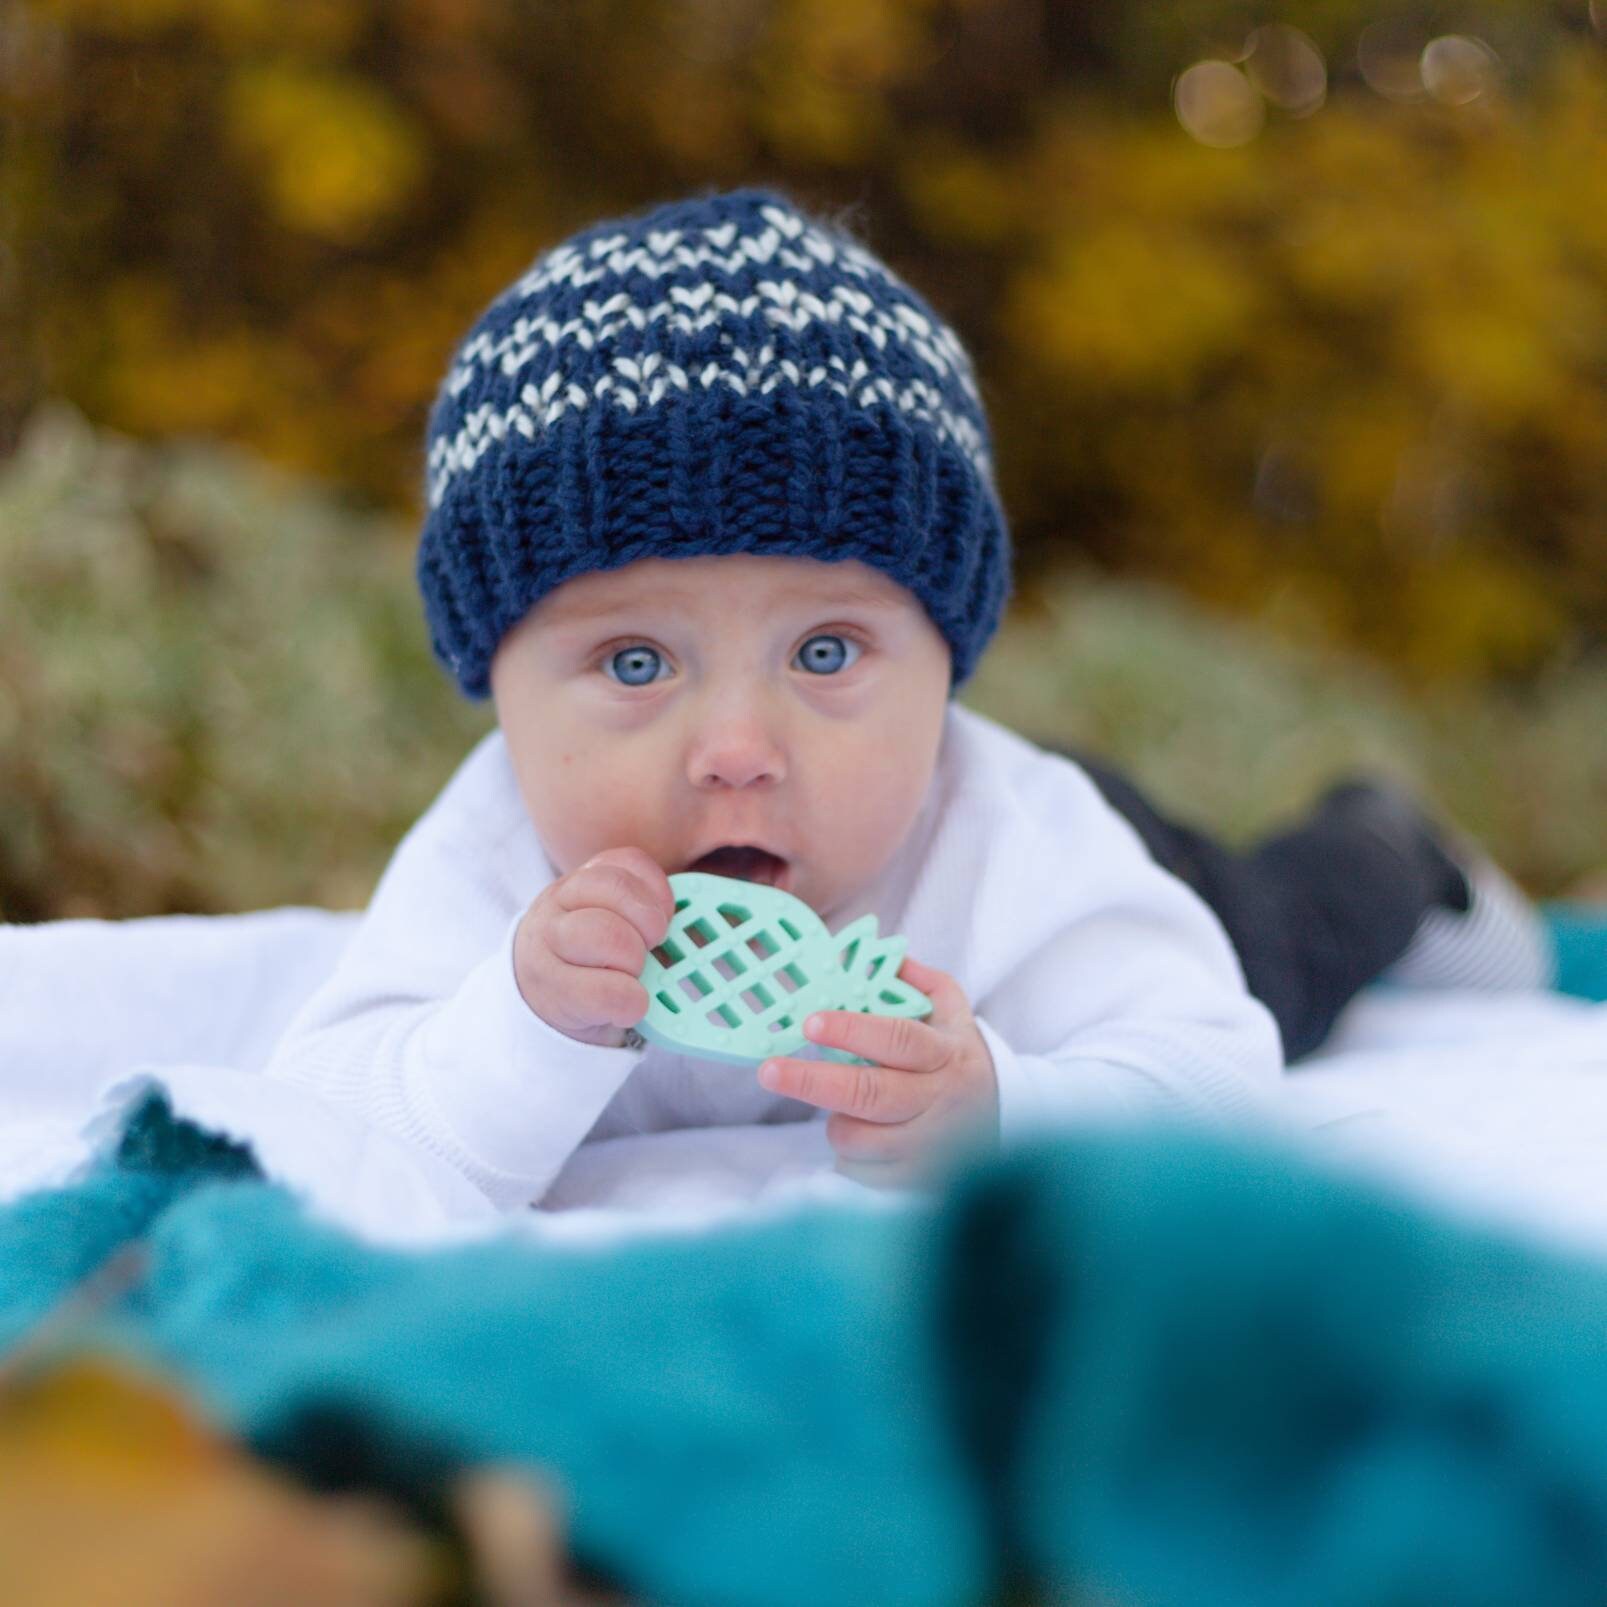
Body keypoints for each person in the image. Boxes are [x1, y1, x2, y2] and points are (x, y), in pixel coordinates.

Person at [260, 186, 1551, 1210]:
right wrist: (522, 1026)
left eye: (825, 654)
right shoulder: (489, 864)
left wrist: (1003, 1103)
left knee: (1283, 953)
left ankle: (1394, 848)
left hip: (1141, 867)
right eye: (637, 664)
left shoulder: (1019, 841)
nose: (737, 751)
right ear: (496, 684)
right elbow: (336, 1144)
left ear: (948, 655)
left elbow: (1212, 1074)